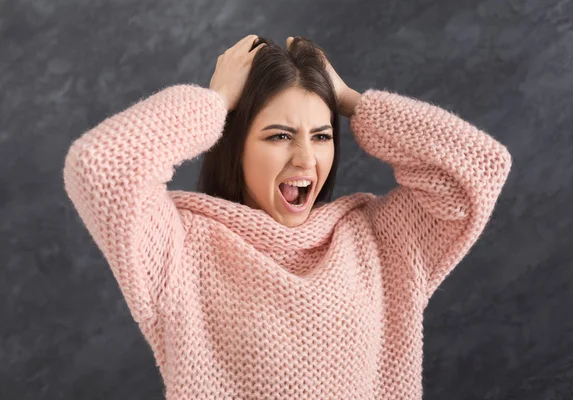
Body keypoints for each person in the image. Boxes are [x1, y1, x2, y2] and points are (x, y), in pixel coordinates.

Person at [63, 34, 512, 399]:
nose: (305, 159)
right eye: (279, 135)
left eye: (320, 136)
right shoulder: (178, 249)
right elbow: (101, 166)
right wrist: (213, 102)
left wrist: (353, 101)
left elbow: (479, 168)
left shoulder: (379, 240)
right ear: (233, 144)